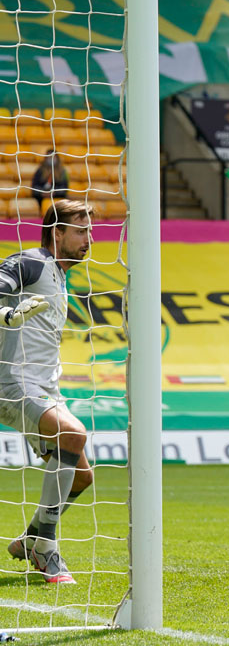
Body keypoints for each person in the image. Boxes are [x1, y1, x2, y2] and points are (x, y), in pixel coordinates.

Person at [4, 200, 96, 584]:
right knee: (73, 434)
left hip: (45, 386)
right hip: (13, 383)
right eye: (80, 231)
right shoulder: (32, 262)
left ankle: (29, 538)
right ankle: (46, 547)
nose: (88, 239)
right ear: (56, 233)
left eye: (90, 231)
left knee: (82, 478)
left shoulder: (58, 276)